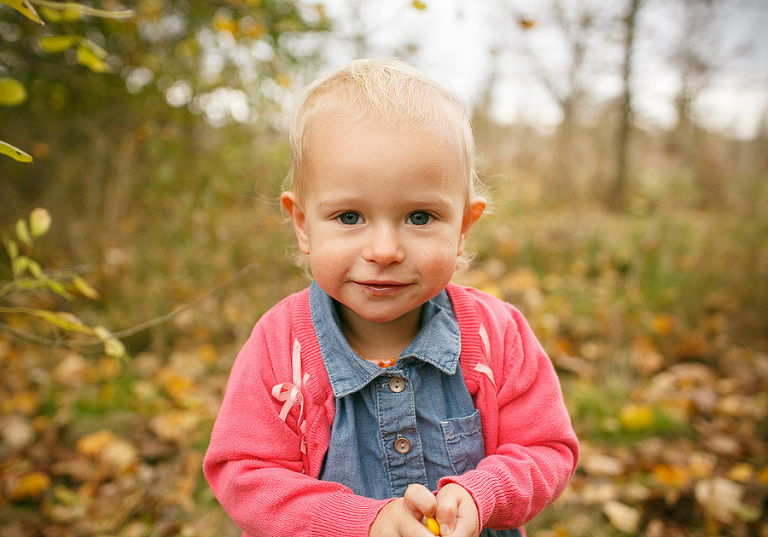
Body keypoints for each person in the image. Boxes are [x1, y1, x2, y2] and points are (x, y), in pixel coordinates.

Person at [203, 58, 579, 537]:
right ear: (302, 223)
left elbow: (546, 448)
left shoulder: (494, 335)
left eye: (419, 217)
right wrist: (361, 521)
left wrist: (484, 493)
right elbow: (245, 475)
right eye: (349, 216)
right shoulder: (281, 349)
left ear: (463, 227)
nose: (384, 251)